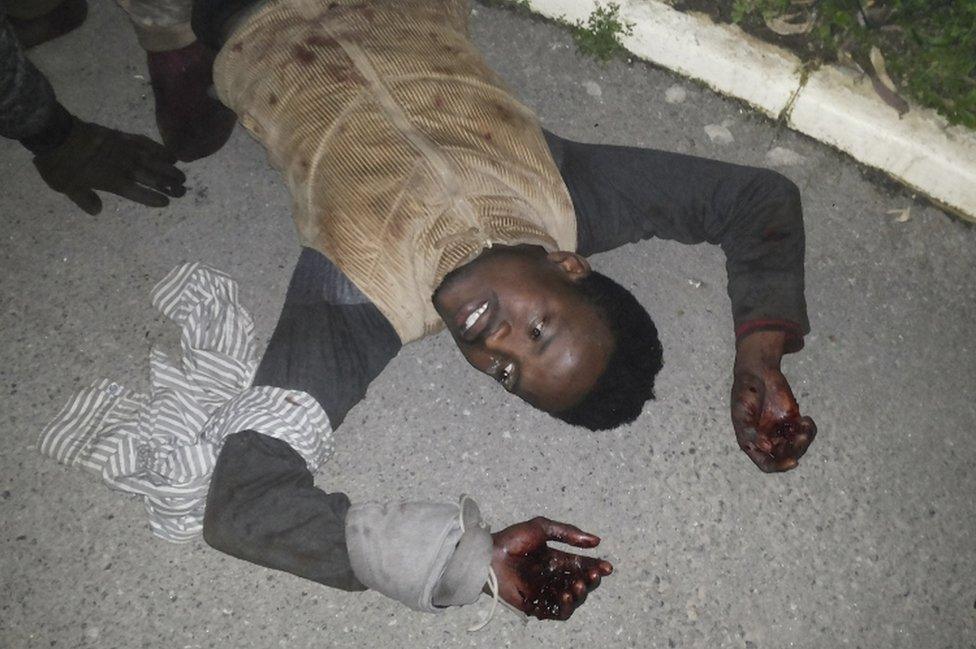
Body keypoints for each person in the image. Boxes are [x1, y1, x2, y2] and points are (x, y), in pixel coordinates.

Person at [39, 0, 817, 626]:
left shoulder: (353, 301)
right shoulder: (567, 195)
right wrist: (761, 349)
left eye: (508, 374)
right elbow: (757, 199)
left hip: (244, 21)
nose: (495, 343)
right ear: (567, 264)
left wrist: (467, 561)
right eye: (537, 326)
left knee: (187, 96)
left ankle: (170, 34)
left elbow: (244, 504)